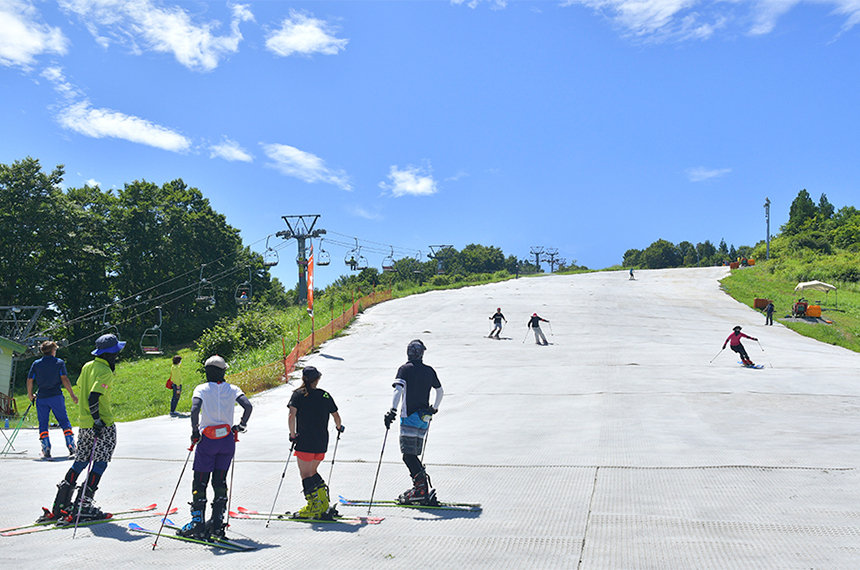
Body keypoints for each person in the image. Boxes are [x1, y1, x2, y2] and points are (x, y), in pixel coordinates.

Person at [37, 334, 124, 523]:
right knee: (100, 463)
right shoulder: (105, 371)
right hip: (101, 424)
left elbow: (82, 387)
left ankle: (61, 505)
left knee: (80, 461)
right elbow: (94, 397)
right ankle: (83, 505)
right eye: (116, 352)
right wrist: (98, 420)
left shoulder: (87, 366)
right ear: (111, 354)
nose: (117, 355)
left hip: (84, 425)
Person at [178, 355, 252, 540]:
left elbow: (195, 410)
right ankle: (218, 525)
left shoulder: (201, 388)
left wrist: (195, 431)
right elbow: (248, 406)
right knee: (220, 481)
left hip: (207, 442)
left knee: (200, 481)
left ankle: (197, 524)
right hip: (226, 440)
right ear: (223, 371)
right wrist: (241, 426)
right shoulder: (233, 389)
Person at [384, 339, 443, 505]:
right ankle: (421, 486)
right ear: (422, 353)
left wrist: (392, 411)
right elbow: (440, 391)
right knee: (413, 454)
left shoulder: (405, 369)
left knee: (407, 456)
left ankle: (420, 489)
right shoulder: (429, 371)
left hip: (409, 416)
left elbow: (398, 390)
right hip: (424, 418)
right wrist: (434, 408)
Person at [288, 366, 344, 519]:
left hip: (305, 441)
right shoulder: (324, 395)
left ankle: (313, 506)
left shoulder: (298, 395)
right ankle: (323, 503)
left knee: (305, 474)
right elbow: (336, 416)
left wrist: (292, 435)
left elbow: (292, 416)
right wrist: (339, 427)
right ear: (317, 379)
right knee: (312, 472)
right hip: (321, 441)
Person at [26, 340, 79, 459]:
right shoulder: (59, 363)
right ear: (53, 351)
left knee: (43, 424)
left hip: (42, 397)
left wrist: (30, 395)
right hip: (56, 396)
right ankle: (71, 447)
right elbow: (64, 379)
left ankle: (46, 449)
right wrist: (72, 394)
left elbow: (30, 380)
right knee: (64, 421)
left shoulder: (36, 364)